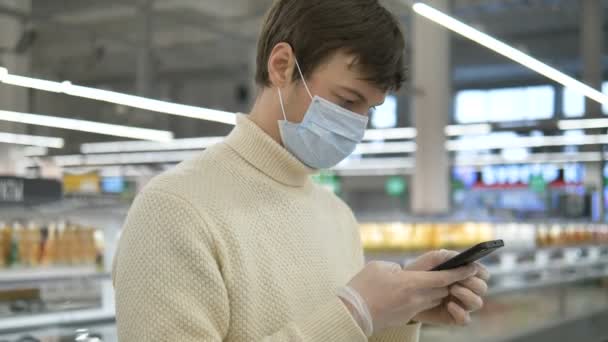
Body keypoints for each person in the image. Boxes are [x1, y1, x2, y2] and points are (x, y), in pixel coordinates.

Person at [112, 0, 490, 341]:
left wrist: (396, 312)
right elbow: (343, 323)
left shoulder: (337, 216)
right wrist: (355, 311)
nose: (358, 125)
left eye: (369, 110)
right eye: (347, 100)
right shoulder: (173, 210)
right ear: (282, 66)